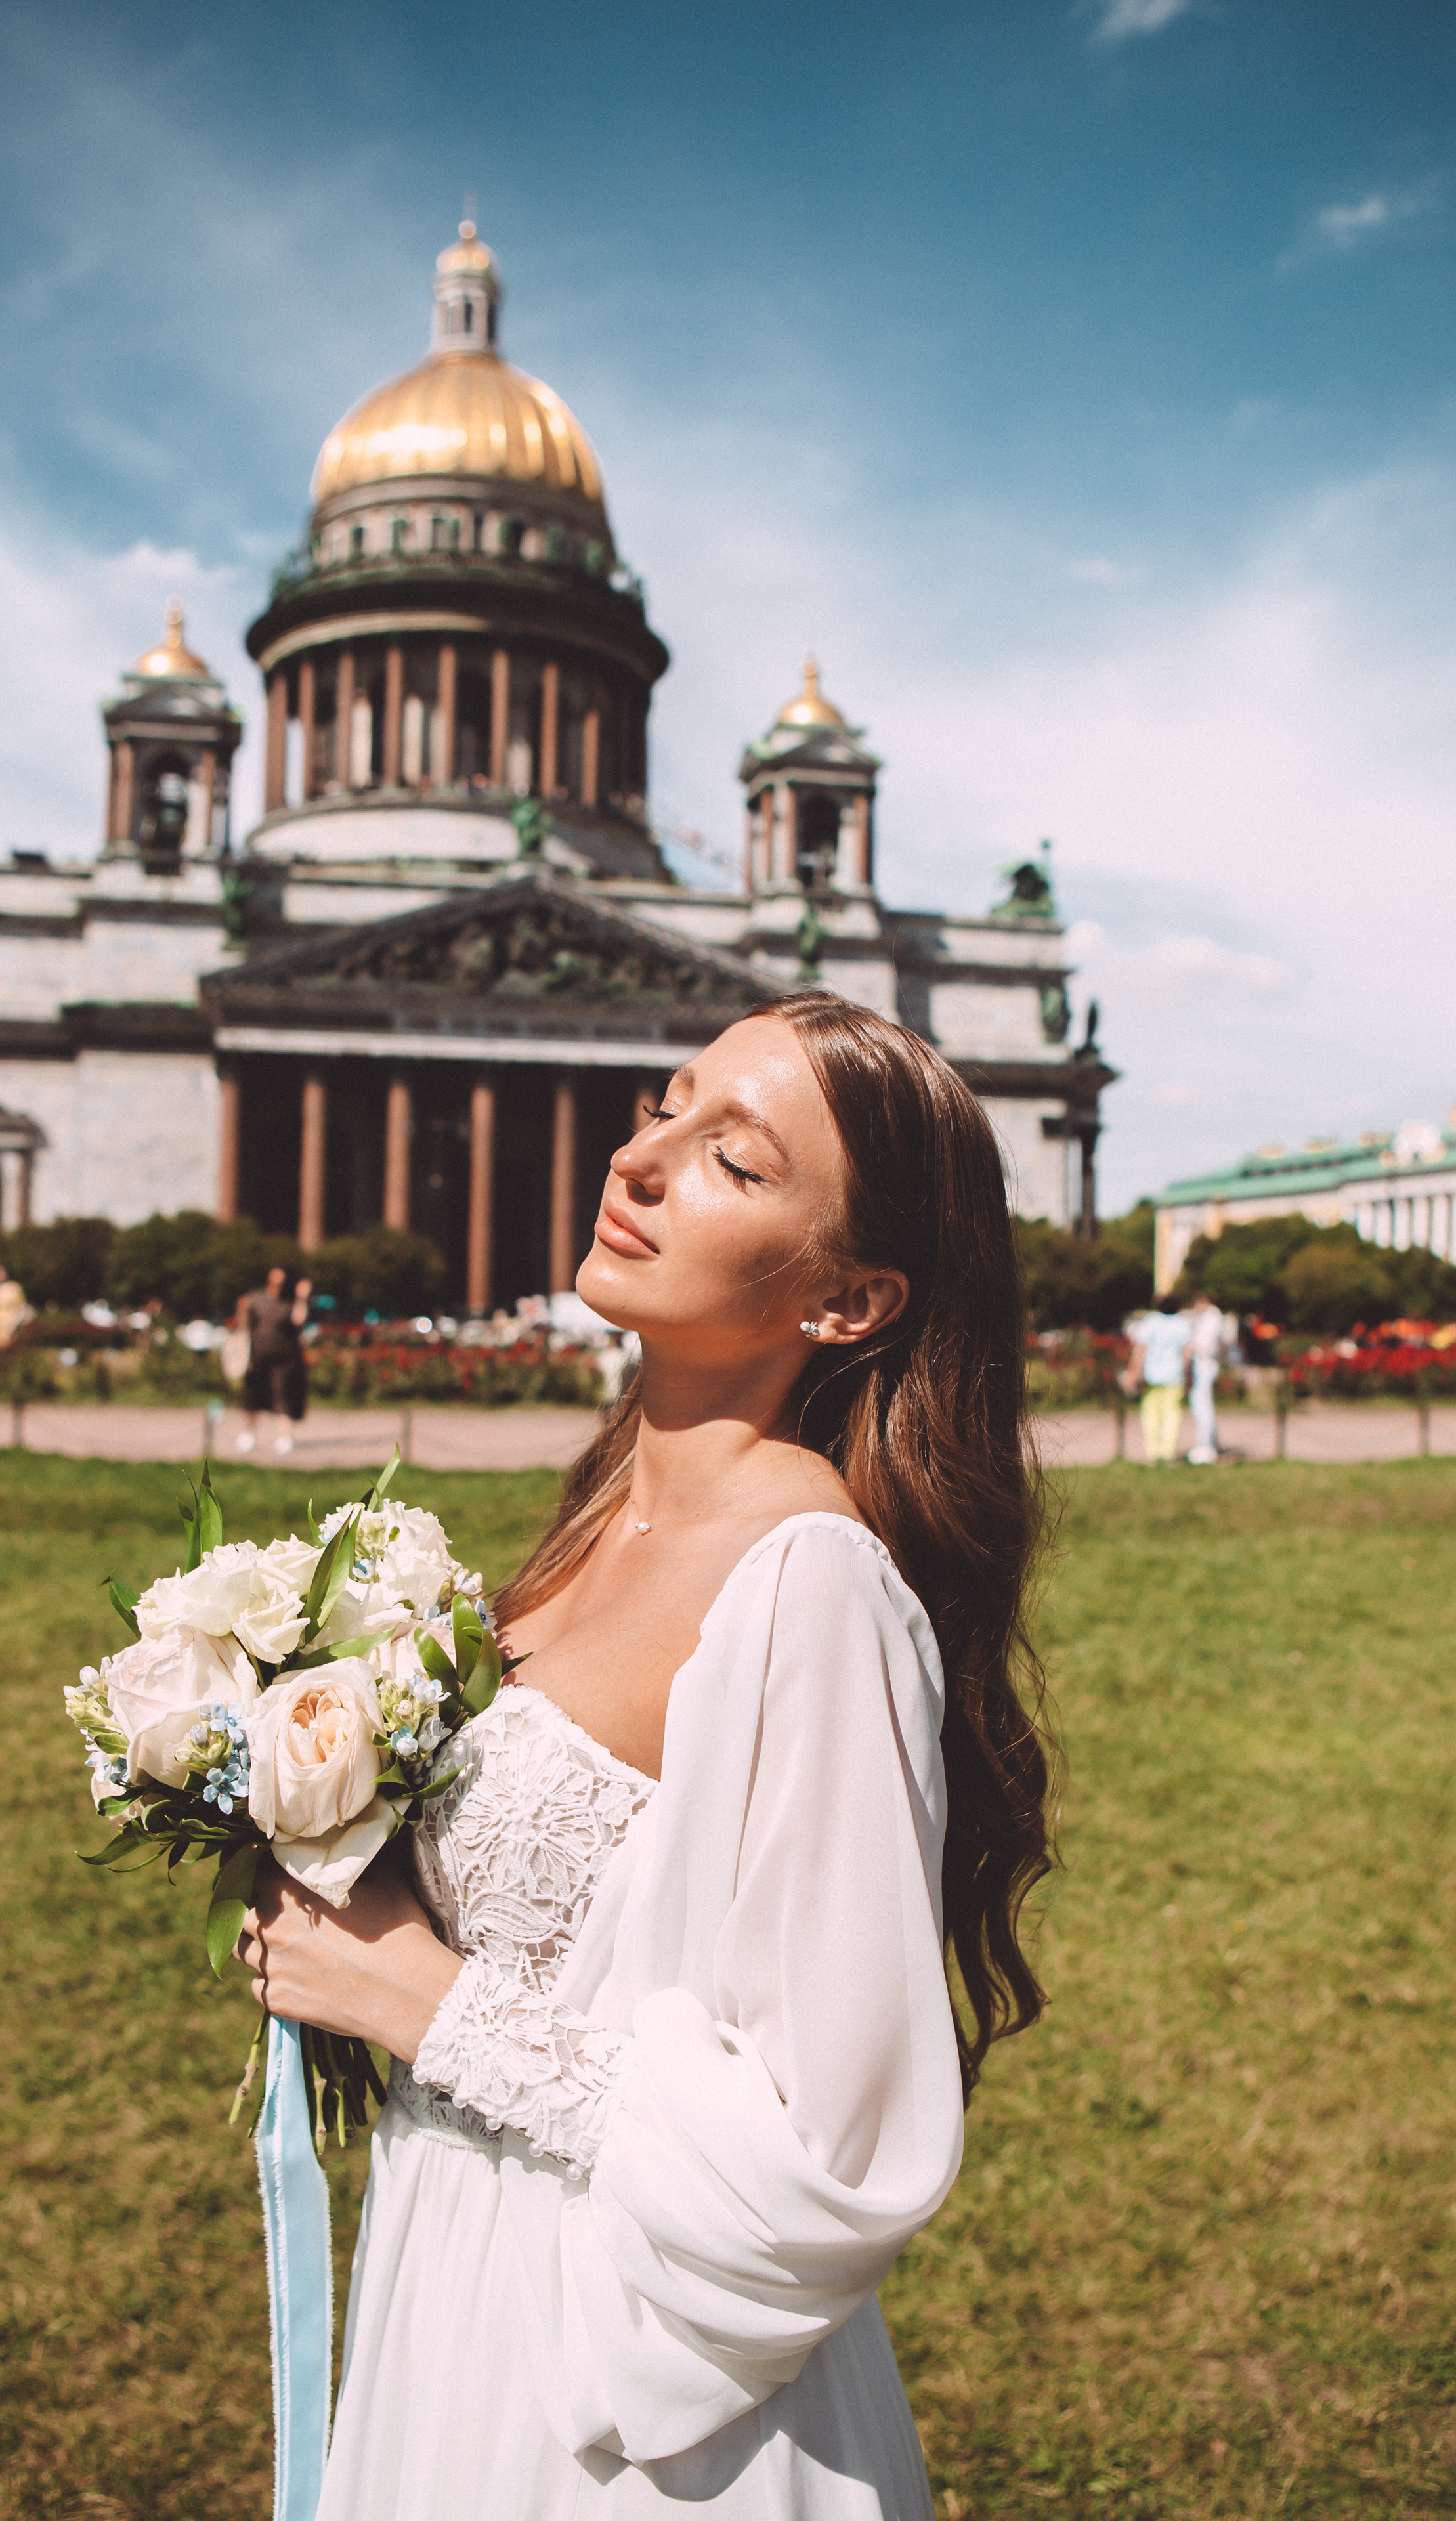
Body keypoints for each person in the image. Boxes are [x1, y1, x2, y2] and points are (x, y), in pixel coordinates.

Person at [237, 993, 1055, 2520]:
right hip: (451, 2286)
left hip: (633, 2400)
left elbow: (833, 2155)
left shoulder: (810, 1586)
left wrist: (417, 1999)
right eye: (663, 1107)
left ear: (851, 1300)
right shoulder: (598, 1521)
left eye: (734, 1159)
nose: (640, 1160)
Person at [235, 1266, 312, 1455]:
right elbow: (243, 1323)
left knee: (283, 1396)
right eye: (275, 1281)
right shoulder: (256, 1299)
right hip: (257, 1356)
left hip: (284, 1359)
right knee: (252, 1398)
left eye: (282, 1282)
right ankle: (248, 1434)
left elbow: (299, 1320)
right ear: (268, 1281)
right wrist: (241, 1308)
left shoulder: (290, 1302)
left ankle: (284, 1437)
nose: (278, 1285)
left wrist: (302, 1297)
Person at [1123, 1292, 1190, 1465]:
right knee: (1171, 1415)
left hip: (1151, 1375)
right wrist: (1188, 1375)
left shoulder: (1150, 1322)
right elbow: (1186, 1353)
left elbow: (1141, 1350)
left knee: (1150, 1413)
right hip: (1174, 1375)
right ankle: (1167, 1452)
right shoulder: (1182, 1324)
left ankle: (1153, 1452)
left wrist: (1132, 1372)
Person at [1185, 1288, 1225, 1466]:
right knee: (1201, 1404)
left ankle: (1206, 1445)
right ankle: (1210, 1442)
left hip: (1205, 1363)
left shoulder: (1212, 1315)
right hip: (1203, 1363)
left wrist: (1191, 1348)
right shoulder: (1210, 1316)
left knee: (1202, 1405)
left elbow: (1206, 1343)